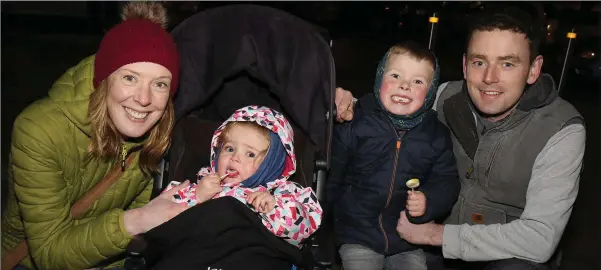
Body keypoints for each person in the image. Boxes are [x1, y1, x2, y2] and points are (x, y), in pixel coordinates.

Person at [338, 6, 586, 270]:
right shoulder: (446, 98)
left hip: (501, 255)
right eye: (480, 62)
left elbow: (540, 238)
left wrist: (436, 235)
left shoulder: (561, 130)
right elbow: (395, 110)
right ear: (465, 66)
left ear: (533, 70)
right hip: (432, 250)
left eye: (508, 64)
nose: (489, 78)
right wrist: (348, 105)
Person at [0, 3, 193, 269]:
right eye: (130, 78)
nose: (144, 99)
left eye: (160, 84)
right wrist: (138, 220)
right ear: (103, 80)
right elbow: (48, 252)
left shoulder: (156, 129)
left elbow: (135, 211)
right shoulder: (39, 131)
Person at [327, 41, 460, 270]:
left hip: (408, 238)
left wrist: (429, 202)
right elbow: (332, 175)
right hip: (358, 233)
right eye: (396, 76)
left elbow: (447, 181)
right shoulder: (355, 122)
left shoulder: (436, 134)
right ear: (380, 78)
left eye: (417, 81)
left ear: (430, 92)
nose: (404, 86)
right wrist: (322, 221)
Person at [165, 105, 323, 247]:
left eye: (250, 154)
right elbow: (163, 213)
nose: (235, 158)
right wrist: (196, 197)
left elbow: (304, 228)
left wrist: (274, 208)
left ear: (272, 163)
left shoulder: (284, 194)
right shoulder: (201, 185)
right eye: (229, 149)